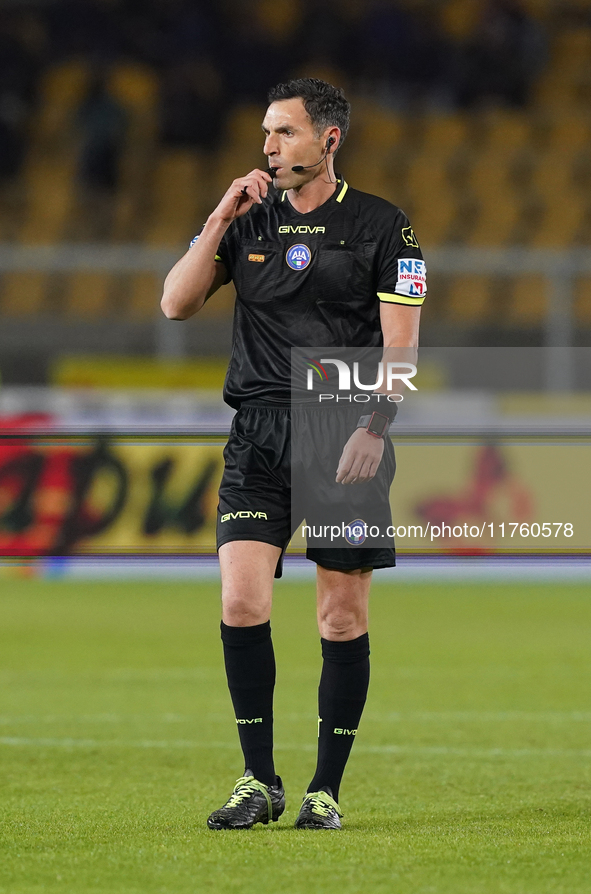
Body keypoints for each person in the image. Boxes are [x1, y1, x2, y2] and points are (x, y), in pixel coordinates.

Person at [161, 78, 426, 830]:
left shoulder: (382, 227)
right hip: (257, 433)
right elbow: (176, 304)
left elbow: (401, 347)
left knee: (339, 618)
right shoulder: (246, 223)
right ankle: (258, 782)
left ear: (328, 139)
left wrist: (374, 426)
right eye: (266, 134)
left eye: (283, 133)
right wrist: (217, 217)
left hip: (343, 429)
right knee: (241, 600)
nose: (269, 147)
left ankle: (324, 790)